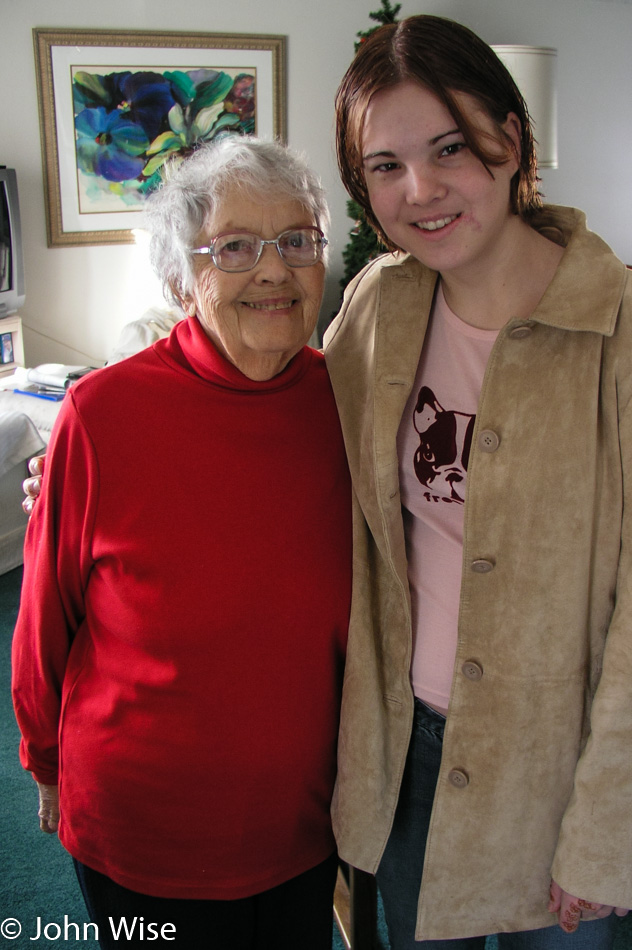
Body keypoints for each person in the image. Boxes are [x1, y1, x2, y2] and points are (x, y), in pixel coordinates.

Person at [322, 14, 632, 949]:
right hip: (405, 747)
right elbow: (287, 439)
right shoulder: (380, 302)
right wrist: (103, 452)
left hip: (556, 766)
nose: (419, 190)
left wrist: (606, 837)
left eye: (448, 147)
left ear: (509, 141)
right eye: (385, 165)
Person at [11, 135, 352, 950]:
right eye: (234, 246)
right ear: (178, 277)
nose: (272, 270)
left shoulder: (350, 406)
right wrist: (43, 757)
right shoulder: (103, 415)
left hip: (302, 817)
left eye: (297, 240)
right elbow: (42, 614)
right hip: (144, 826)